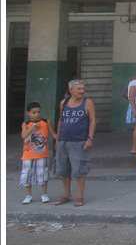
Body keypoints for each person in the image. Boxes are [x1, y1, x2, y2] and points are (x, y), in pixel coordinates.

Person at [54, 79, 96, 207]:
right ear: (70, 90)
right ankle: (67, 194)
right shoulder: (64, 103)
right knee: (63, 169)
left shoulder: (87, 103)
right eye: (79, 89)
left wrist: (90, 138)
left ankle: (79, 196)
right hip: (63, 140)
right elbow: (61, 120)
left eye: (83, 89)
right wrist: (57, 138)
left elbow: (92, 120)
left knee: (80, 169)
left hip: (79, 140)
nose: (82, 91)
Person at [20, 102, 58, 204]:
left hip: (42, 153)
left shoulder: (45, 122)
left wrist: (58, 139)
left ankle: (44, 193)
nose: (36, 114)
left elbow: (52, 133)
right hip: (28, 154)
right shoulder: (26, 124)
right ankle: (28, 195)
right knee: (27, 174)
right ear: (28, 113)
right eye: (34, 112)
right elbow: (24, 136)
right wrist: (31, 128)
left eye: (38, 112)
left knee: (43, 173)